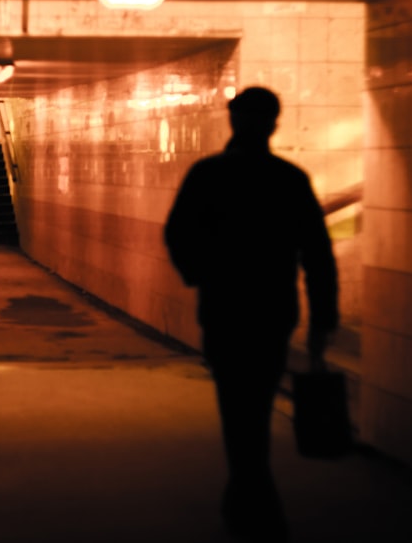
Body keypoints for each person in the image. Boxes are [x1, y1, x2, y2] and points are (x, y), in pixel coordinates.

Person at [164, 86, 338, 543]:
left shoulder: (208, 175)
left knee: (235, 402)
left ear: (232, 120)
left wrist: (201, 275)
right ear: (274, 123)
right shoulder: (289, 179)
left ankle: (248, 491)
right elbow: (318, 254)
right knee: (257, 401)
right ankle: (251, 492)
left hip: (224, 308)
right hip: (272, 309)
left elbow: (178, 233)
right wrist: (323, 318)